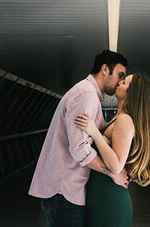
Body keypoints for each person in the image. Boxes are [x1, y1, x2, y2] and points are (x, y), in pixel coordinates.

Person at [29, 50, 130, 227]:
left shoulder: (88, 94)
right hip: (64, 189)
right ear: (105, 69)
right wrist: (111, 172)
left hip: (68, 189)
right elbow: (79, 149)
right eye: (120, 75)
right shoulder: (86, 95)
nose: (120, 82)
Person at [73, 74, 150, 227]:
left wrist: (94, 131)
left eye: (125, 82)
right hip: (102, 194)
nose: (119, 82)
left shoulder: (125, 120)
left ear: (133, 92)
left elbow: (116, 166)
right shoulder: (120, 117)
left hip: (109, 199)